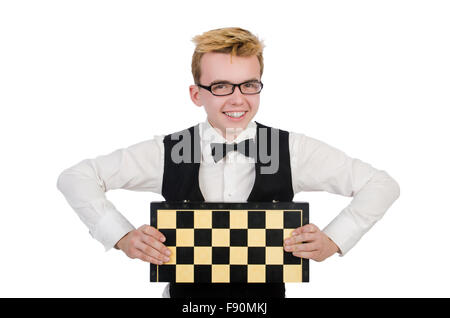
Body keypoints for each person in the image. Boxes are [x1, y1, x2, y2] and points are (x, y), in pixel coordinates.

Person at [57, 27, 400, 298]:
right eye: (221, 86)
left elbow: (381, 185)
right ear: (197, 94)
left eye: (249, 85)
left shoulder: (293, 149)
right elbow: (77, 177)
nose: (238, 99)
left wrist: (334, 240)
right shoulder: (167, 150)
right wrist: (122, 236)